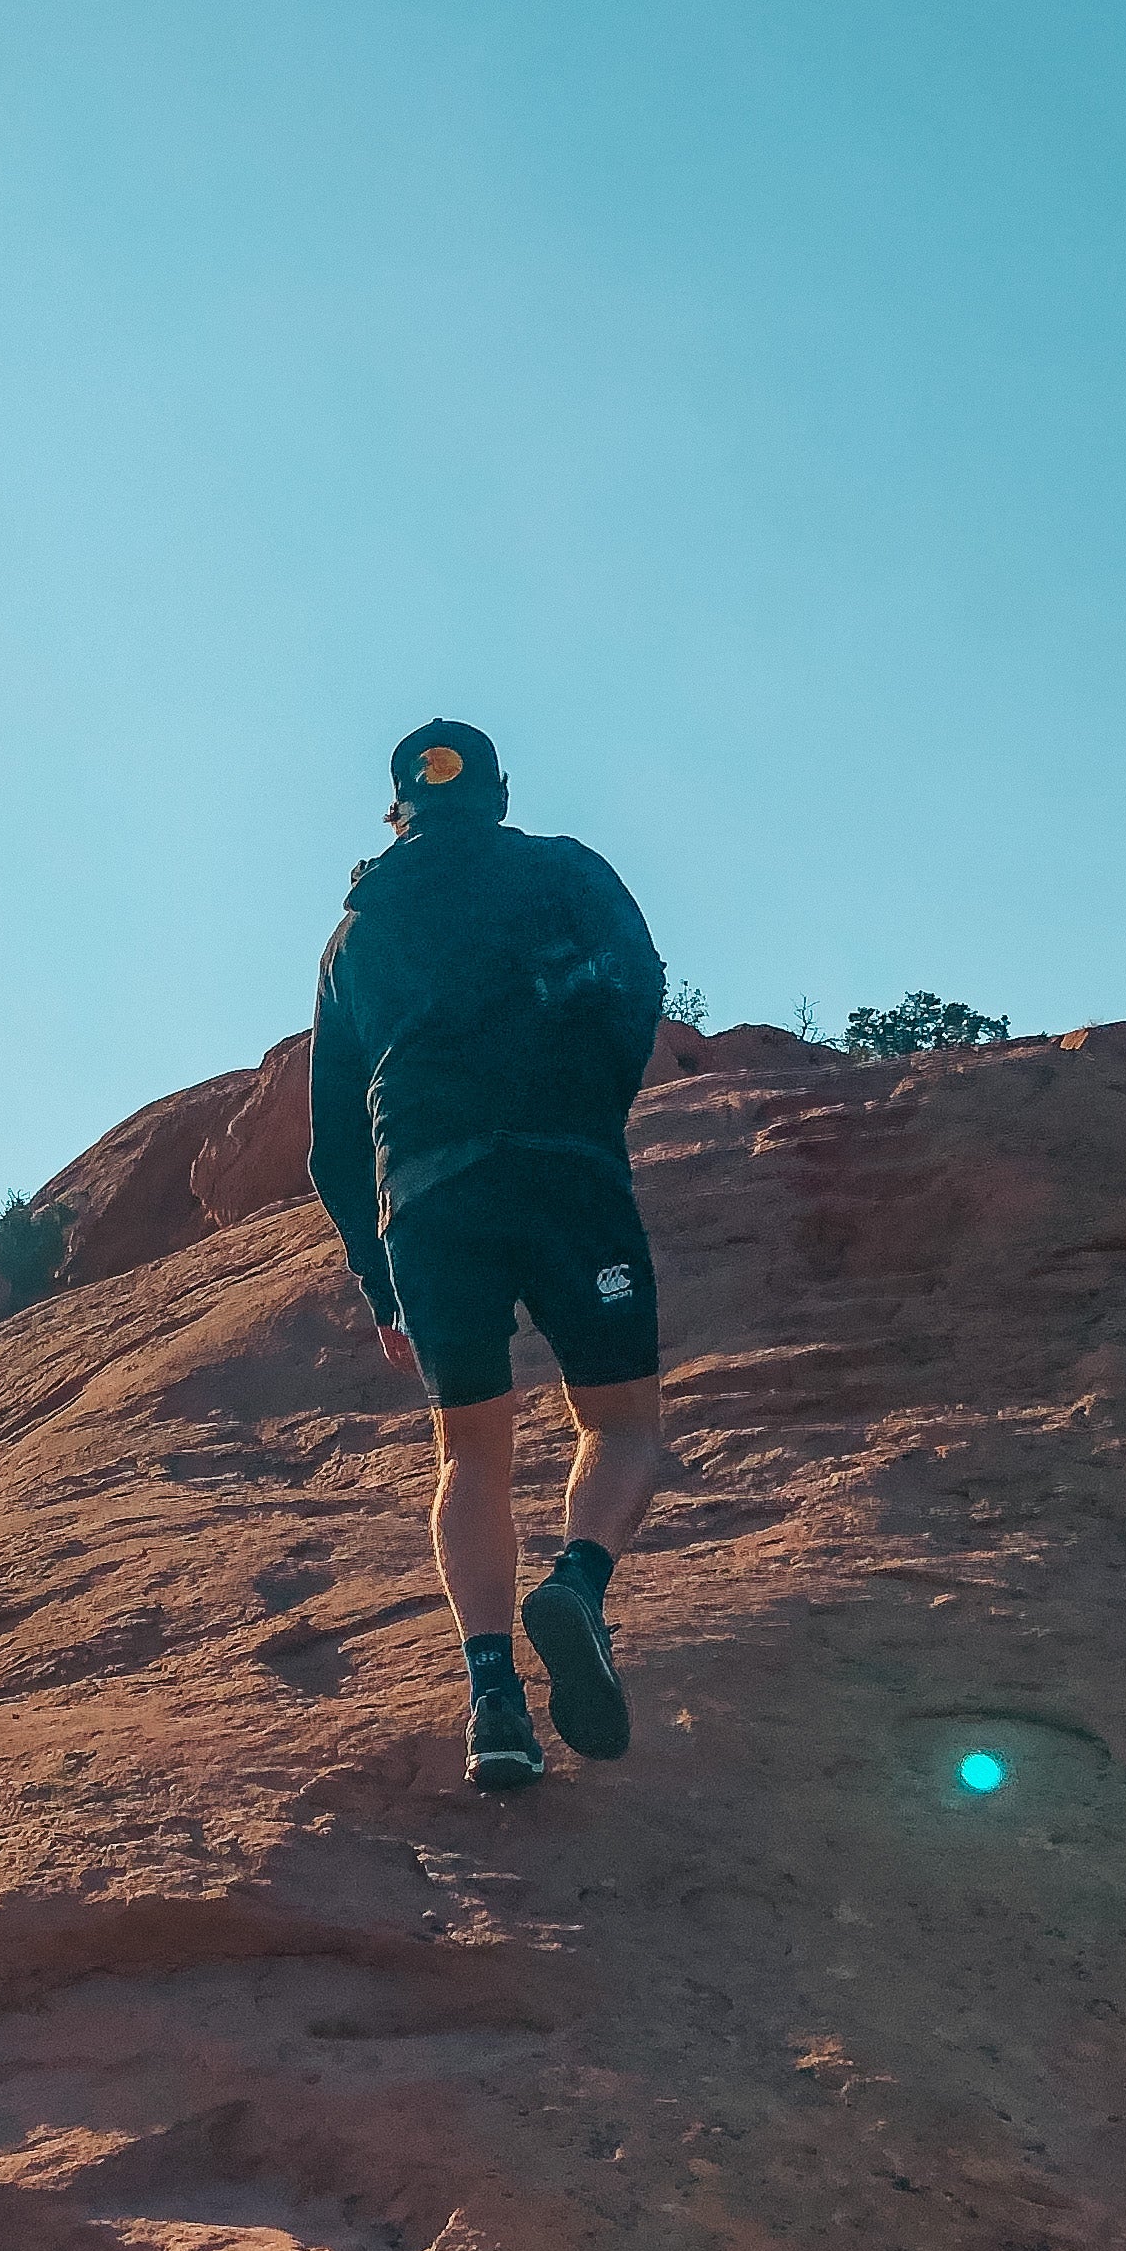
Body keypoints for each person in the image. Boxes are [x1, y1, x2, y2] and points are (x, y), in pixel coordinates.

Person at [308, 717, 670, 1792]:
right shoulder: (564, 872)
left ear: (397, 810)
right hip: (569, 1170)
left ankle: (493, 1702)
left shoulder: (356, 936)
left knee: (470, 1452)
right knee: (620, 1420)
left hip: (429, 1196)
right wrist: (590, 1108)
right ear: (499, 794)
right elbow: (637, 986)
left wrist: (377, 1276)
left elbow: (330, 1136)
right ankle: (581, 1585)